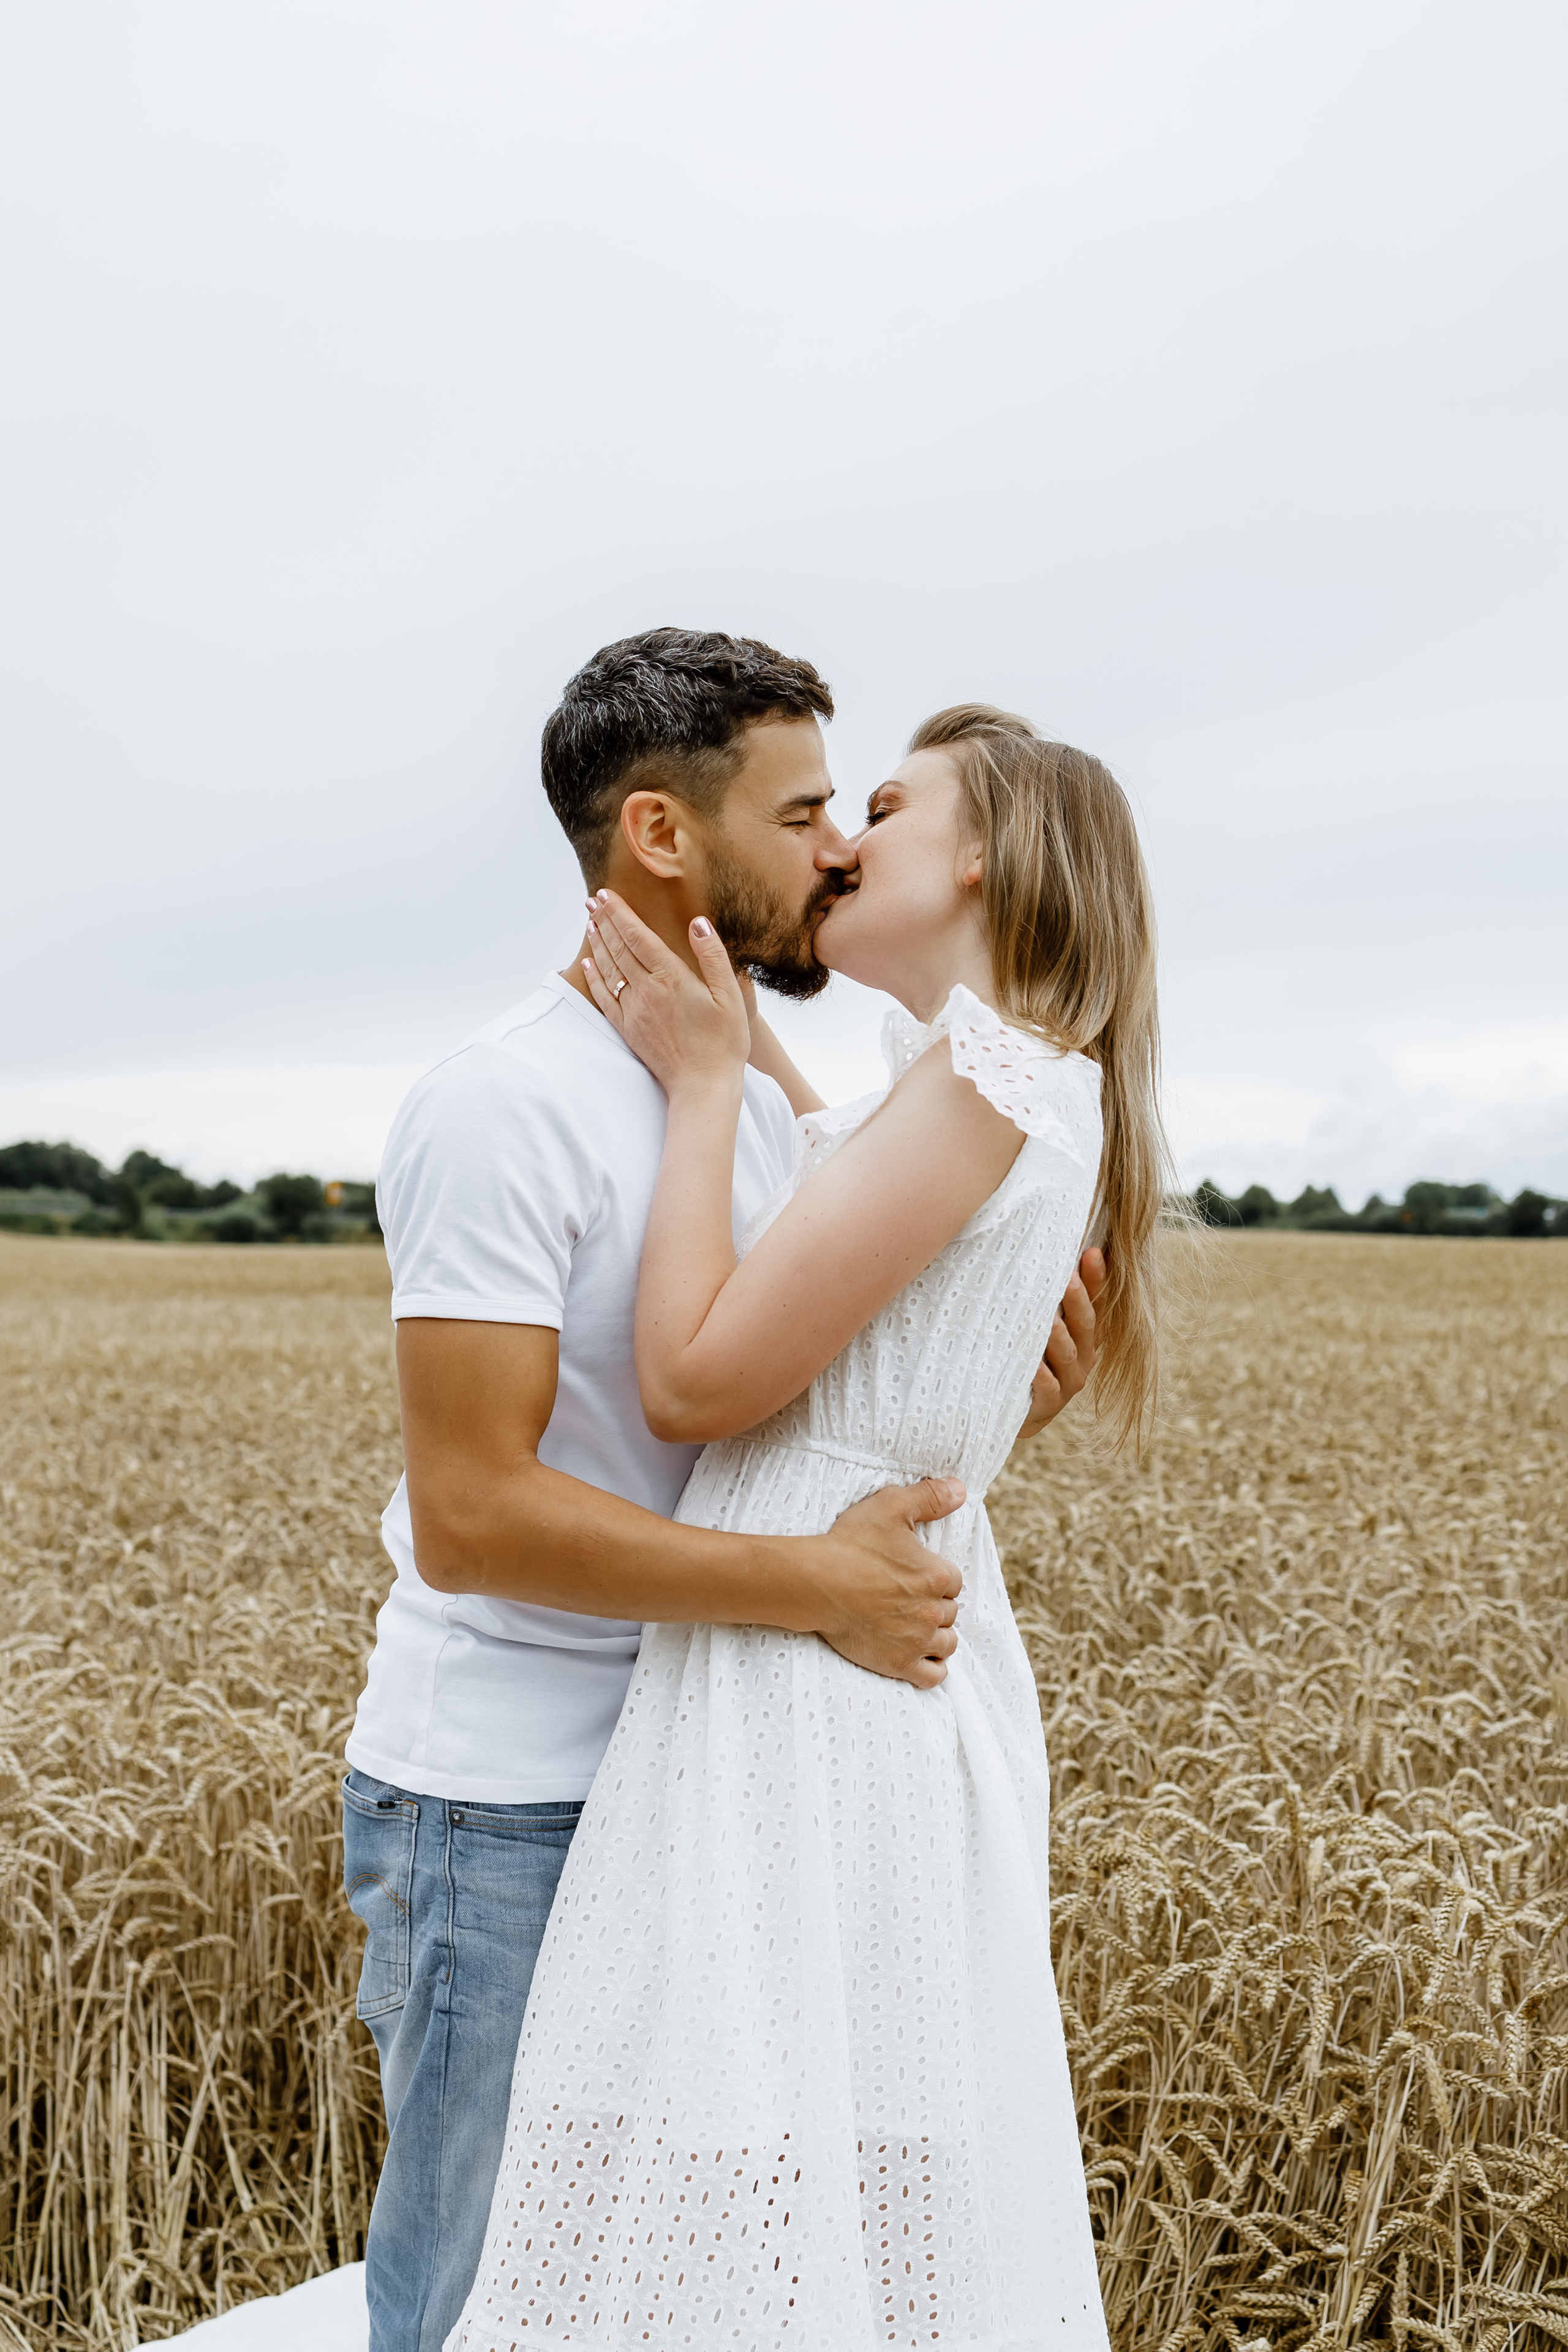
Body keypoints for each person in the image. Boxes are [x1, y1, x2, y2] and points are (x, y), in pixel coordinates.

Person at [342, 636, 1104, 2352]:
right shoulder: (502, 1108)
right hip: (513, 1804)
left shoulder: (775, 1112)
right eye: (808, 809)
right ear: (664, 838)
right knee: (487, 2301)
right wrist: (810, 1589)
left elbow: (793, 1420)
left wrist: (972, 1426)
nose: (840, 846)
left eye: (857, 810)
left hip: (721, 1781)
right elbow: (472, 1514)